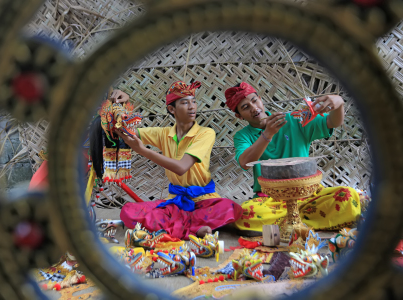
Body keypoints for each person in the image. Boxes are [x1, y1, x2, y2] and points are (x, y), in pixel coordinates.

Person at [224, 82, 361, 233]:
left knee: (348, 195)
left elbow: (333, 122)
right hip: (271, 201)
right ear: (239, 116)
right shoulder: (242, 136)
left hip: (308, 196)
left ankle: (288, 225)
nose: (254, 108)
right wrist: (267, 134)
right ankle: (306, 222)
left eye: (254, 100)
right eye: (245, 107)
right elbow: (244, 162)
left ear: (261, 99)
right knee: (245, 213)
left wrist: (339, 103)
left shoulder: (295, 119)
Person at [114, 81, 242, 239]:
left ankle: (180, 228)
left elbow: (182, 167)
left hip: (204, 201)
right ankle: (195, 229)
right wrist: (123, 104)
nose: (192, 107)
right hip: (175, 202)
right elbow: (126, 130)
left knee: (229, 207)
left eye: (193, 101)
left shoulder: (205, 133)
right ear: (171, 109)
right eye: (185, 102)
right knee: (128, 211)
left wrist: (142, 150)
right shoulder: (163, 133)